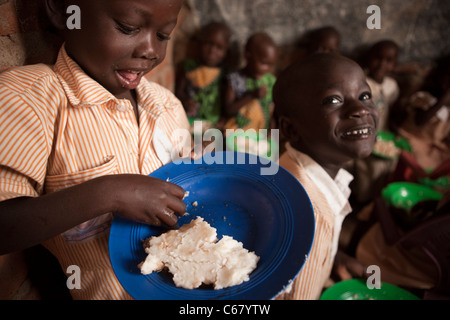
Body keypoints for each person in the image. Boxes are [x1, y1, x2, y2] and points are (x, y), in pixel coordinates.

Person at [0, 0, 192, 300]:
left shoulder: (167, 107)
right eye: (128, 28)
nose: (150, 50)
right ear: (65, 11)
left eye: (164, 35)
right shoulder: (30, 100)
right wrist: (109, 193)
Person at [273, 53, 378, 299]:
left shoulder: (292, 170)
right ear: (290, 129)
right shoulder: (312, 214)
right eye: (333, 100)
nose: (360, 109)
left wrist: (331, 256)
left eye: (364, 96)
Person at [175, 21, 232, 130]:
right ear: (200, 43)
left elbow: (226, 102)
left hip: (212, 123)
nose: (212, 51)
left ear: (226, 51)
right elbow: (179, 92)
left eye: (219, 48)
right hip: (189, 120)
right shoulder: (189, 66)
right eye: (208, 44)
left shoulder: (225, 75)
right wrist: (186, 101)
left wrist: (224, 119)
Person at [222, 32, 278, 131]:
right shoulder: (235, 79)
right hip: (237, 133)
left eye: (271, 65)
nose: (267, 69)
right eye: (264, 63)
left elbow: (272, 112)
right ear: (247, 56)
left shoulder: (270, 81)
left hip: (259, 134)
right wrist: (252, 96)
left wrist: (271, 132)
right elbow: (228, 110)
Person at [364, 40, 400, 132]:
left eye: (389, 60)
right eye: (378, 58)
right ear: (369, 58)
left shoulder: (392, 85)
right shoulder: (362, 82)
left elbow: (391, 109)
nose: (382, 64)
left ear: (395, 65)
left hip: (381, 131)